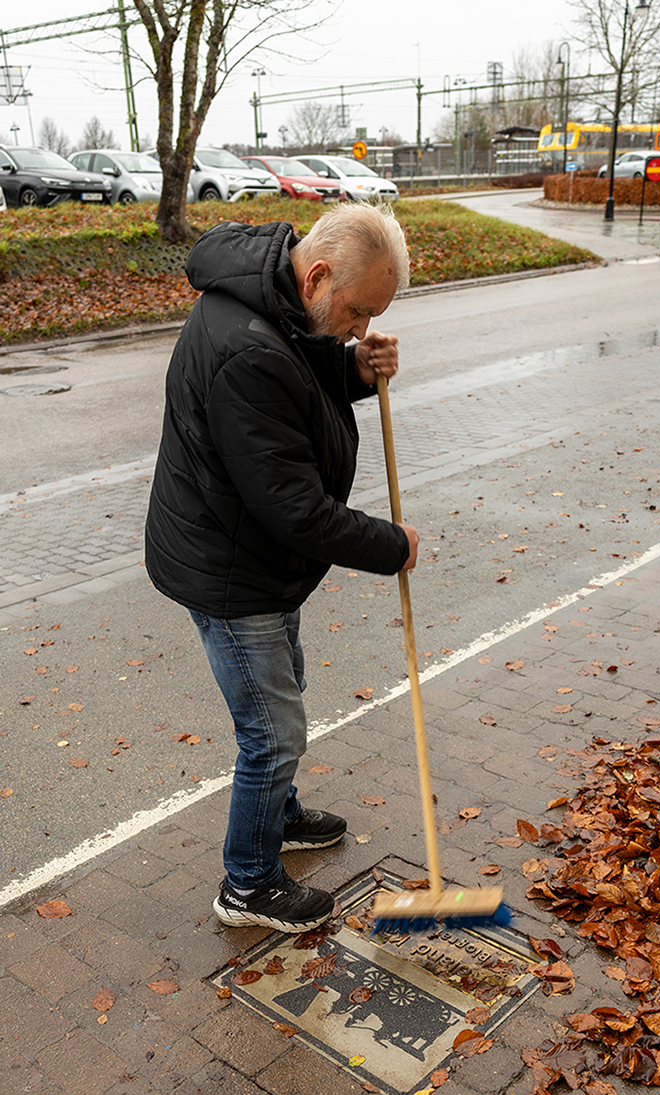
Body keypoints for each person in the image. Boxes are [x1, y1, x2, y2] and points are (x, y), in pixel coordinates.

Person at [144, 202, 418, 932]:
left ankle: (282, 816)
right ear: (318, 275)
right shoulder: (248, 351)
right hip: (232, 568)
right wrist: (390, 545)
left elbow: (301, 358)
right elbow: (293, 507)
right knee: (272, 731)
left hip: (254, 555)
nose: (362, 325)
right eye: (357, 312)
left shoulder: (270, 294)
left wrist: (350, 365)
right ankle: (249, 883)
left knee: (284, 693)